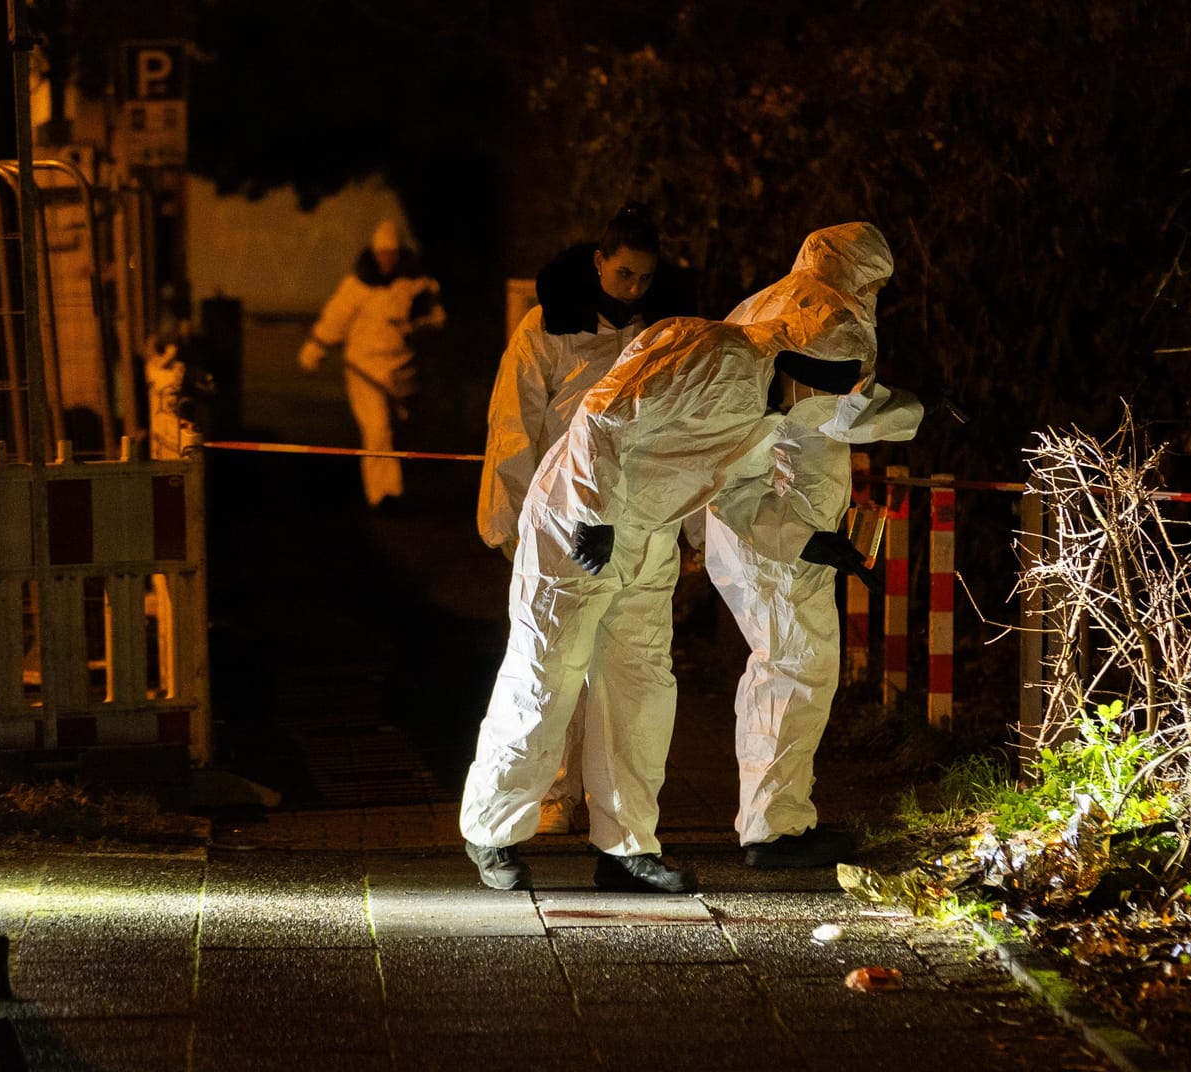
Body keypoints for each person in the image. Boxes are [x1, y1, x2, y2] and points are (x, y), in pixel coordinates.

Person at [459, 313, 873, 894]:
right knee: (547, 671)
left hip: (649, 534)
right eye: (825, 386)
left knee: (640, 688)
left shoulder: (768, 410)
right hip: (575, 526)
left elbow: (739, 493)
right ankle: (492, 829)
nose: (820, 402)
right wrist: (594, 511)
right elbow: (604, 415)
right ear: (803, 368)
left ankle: (626, 848)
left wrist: (808, 540)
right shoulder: (716, 354)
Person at [705, 222, 933, 868]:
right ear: (860, 273)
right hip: (783, 517)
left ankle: (770, 817)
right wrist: (918, 410)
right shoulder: (832, 315)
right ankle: (774, 831)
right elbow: (842, 412)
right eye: (879, 283)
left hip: (739, 514)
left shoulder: (759, 303)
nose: (879, 296)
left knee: (775, 665)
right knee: (799, 669)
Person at [479, 204, 693, 836]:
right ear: (599, 262)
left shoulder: (666, 330)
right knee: (553, 661)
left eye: (644, 279)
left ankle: (615, 805)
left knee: (626, 669)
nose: (633, 289)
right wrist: (506, 520)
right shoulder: (548, 329)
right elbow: (512, 422)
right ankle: (550, 792)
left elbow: (686, 433)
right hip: (560, 515)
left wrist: (698, 529)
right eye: (624, 274)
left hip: (638, 518)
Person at [297, 219, 446, 511]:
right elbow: (335, 319)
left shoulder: (418, 285)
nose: (386, 259)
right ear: (373, 254)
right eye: (381, 254)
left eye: (391, 254)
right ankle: (385, 495)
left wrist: (418, 325)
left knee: (395, 431)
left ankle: (396, 488)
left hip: (402, 373)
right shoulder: (356, 286)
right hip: (364, 370)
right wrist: (315, 348)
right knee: (377, 431)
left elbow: (438, 318)